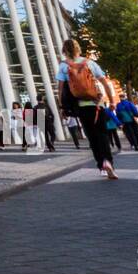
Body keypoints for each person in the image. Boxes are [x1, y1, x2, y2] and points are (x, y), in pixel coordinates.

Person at [56, 37, 119, 179]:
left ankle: (101, 167)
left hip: (81, 107)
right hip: (97, 104)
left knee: (91, 136)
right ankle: (108, 162)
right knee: (102, 134)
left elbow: (61, 90)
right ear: (78, 49)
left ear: (64, 50)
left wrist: (62, 107)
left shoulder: (64, 66)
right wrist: (111, 101)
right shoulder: (90, 63)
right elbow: (104, 83)